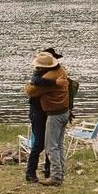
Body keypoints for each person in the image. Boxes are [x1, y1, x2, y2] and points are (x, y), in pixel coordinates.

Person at [24, 51, 70, 186]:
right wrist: (55, 83)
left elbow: (31, 90)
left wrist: (27, 86)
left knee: (50, 146)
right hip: (43, 113)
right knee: (49, 144)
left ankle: (53, 175)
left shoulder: (50, 76)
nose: (37, 68)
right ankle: (45, 173)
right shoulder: (59, 73)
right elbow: (35, 81)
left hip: (52, 114)